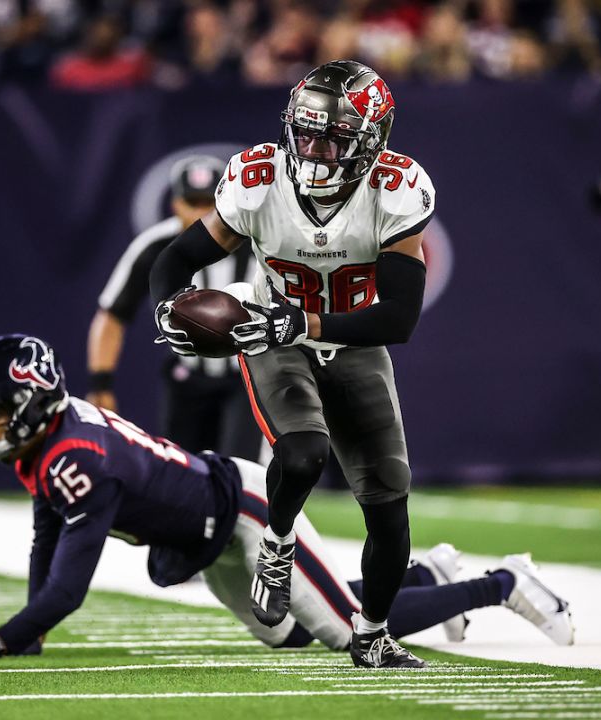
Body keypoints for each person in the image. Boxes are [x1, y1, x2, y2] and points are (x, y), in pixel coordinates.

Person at [0, 335, 573, 662]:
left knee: (349, 631)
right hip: (205, 533)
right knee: (286, 634)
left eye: (0, 410)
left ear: (35, 405)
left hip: (244, 509)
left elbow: (68, 588)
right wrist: (28, 637)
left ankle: (505, 582)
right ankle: (426, 575)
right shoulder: (54, 441)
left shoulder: (78, 458)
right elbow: (47, 533)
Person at [148, 60, 434, 667]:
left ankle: (373, 634)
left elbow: (400, 318)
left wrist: (305, 321)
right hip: (275, 339)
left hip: (353, 341)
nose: (313, 150)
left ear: (370, 140)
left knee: (388, 502)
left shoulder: (396, 188)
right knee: (303, 452)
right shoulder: (260, 181)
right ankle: (278, 543)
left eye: (331, 137)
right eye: (304, 133)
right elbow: (174, 262)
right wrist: (170, 308)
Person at [88, 154, 260, 461]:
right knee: (181, 470)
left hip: (247, 375)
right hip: (188, 377)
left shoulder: (259, 240)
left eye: (208, 203)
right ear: (176, 204)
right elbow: (112, 314)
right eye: (192, 203)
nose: (200, 213)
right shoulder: (156, 246)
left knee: (240, 469)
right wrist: (101, 383)